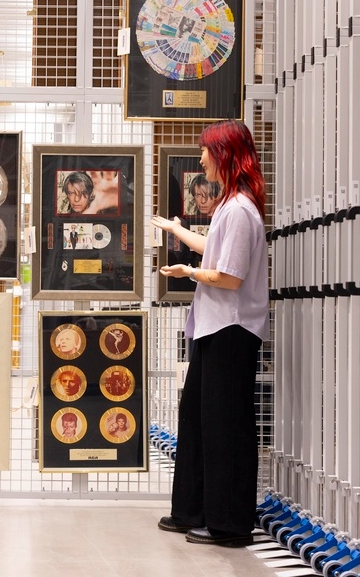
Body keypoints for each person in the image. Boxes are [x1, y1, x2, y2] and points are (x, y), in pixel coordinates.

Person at [150, 120, 269, 548]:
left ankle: (230, 524)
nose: (200, 159)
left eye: (205, 151)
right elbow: (215, 251)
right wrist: (177, 231)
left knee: (226, 426)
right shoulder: (229, 206)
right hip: (214, 328)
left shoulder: (239, 209)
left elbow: (228, 277)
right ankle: (193, 510)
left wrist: (187, 272)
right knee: (198, 419)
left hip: (232, 330)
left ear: (225, 155)